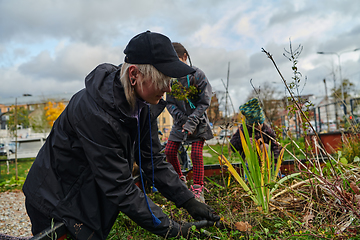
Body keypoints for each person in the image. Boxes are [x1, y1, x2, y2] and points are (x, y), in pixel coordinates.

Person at [22, 31, 220, 240]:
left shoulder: (143, 105)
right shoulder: (95, 113)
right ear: (134, 75)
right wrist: (171, 228)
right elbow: (119, 185)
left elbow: (152, 160)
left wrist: (189, 201)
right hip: (57, 200)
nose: (168, 88)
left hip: (88, 195)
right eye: (163, 79)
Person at [165, 42, 213, 203]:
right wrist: (182, 119)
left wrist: (191, 122)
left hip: (198, 123)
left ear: (185, 57)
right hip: (180, 122)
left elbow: (204, 102)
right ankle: (180, 179)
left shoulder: (197, 75)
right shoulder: (171, 80)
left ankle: (198, 188)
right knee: (170, 151)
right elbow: (169, 103)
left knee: (196, 154)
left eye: (178, 59)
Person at [230, 98, 282, 162]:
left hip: (266, 162)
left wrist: (276, 162)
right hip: (250, 163)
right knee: (251, 146)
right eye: (254, 125)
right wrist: (244, 142)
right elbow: (232, 145)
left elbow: (276, 147)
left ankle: (267, 168)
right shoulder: (243, 129)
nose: (257, 127)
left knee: (265, 146)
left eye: (259, 124)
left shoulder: (267, 130)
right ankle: (250, 170)